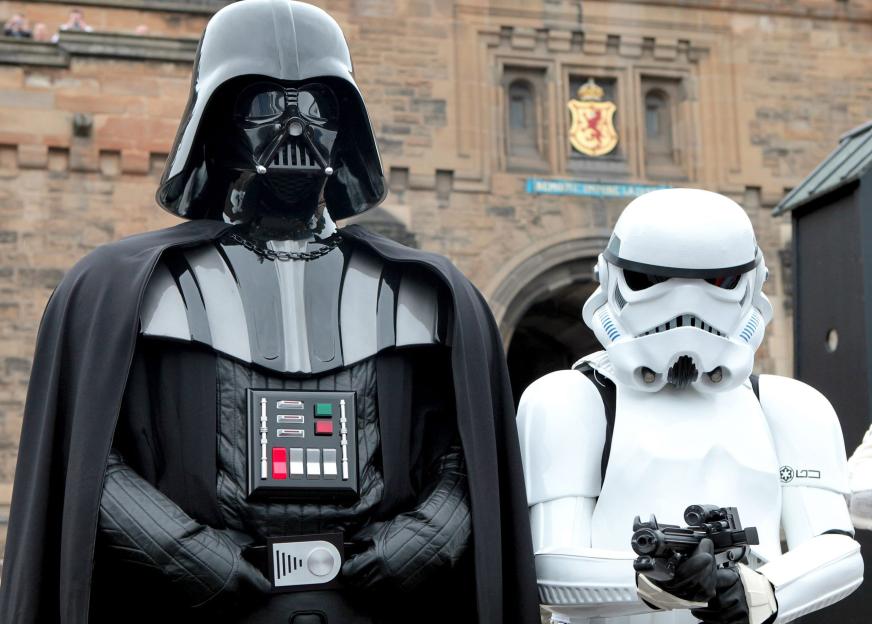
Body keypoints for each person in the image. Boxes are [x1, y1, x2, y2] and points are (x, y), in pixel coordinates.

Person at [0, 1, 538, 623]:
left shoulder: (427, 294)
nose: (295, 130)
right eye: (264, 104)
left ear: (347, 123)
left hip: (373, 601)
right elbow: (88, 454)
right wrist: (182, 551)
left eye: (318, 105)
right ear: (217, 121)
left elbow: (469, 453)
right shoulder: (123, 289)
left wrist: (423, 540)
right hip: (200, 602)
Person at [517, 188, 863, 624]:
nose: (686, 308)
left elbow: (836, 549)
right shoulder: (571, 400)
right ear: (611, 278)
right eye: (650, 281)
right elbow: (546, 567)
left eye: (717, 283)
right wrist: (651, 583)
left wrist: (762, 592)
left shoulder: (789, 406)